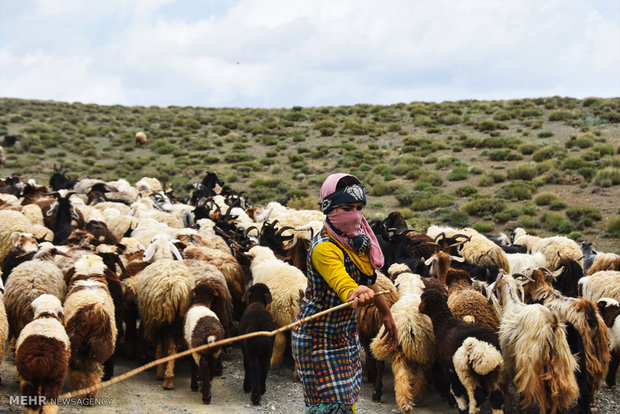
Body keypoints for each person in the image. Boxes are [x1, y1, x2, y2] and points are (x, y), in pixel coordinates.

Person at [291, 173, 399, 414]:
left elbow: (370, 280)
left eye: (360, 208)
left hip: (346, 335)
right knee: (330, 407)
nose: (356, 215)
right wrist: (353, 291)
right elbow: (341, 282)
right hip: (316, 337)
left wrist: (387, 315)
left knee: (348, 402)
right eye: (347, 208)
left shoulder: (357, 242)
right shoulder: (323, 248)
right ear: (330, 208)